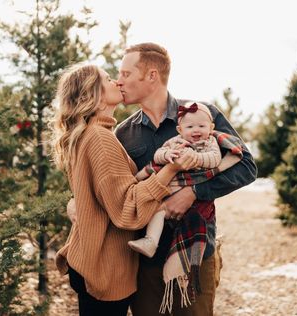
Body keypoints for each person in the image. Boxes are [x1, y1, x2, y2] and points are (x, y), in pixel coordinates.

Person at [114, 42, 257, 316]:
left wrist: (194, 192)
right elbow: (122, 190)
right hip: (144, 260)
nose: (119, 81)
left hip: (195, 253)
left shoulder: (202, 115)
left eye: (126, 73)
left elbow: (246, 166)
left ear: (152, 75)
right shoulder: (124, 133)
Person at [50, 64, 197, 316]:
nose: (117, 82)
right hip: (104, 265)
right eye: (108, 79)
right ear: (91, 94)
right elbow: (126, 208)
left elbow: (97, 193)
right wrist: (170, 170)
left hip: (94, 258)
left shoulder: (92, 134)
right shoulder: (99, 138)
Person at [128, 101, 222, 258]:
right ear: (180, 130)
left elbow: (215, 159)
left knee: (195, 220)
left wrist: (196, 158)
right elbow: (158, 154)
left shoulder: (209, 142)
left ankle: (193, 251)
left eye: (201, 126)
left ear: (211, 128)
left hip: (194, 186)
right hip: (171, 187)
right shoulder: (175, 142)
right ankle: (151, 241)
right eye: (190, 127)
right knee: (157, 210)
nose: (196, 130)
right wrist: (167, 155)